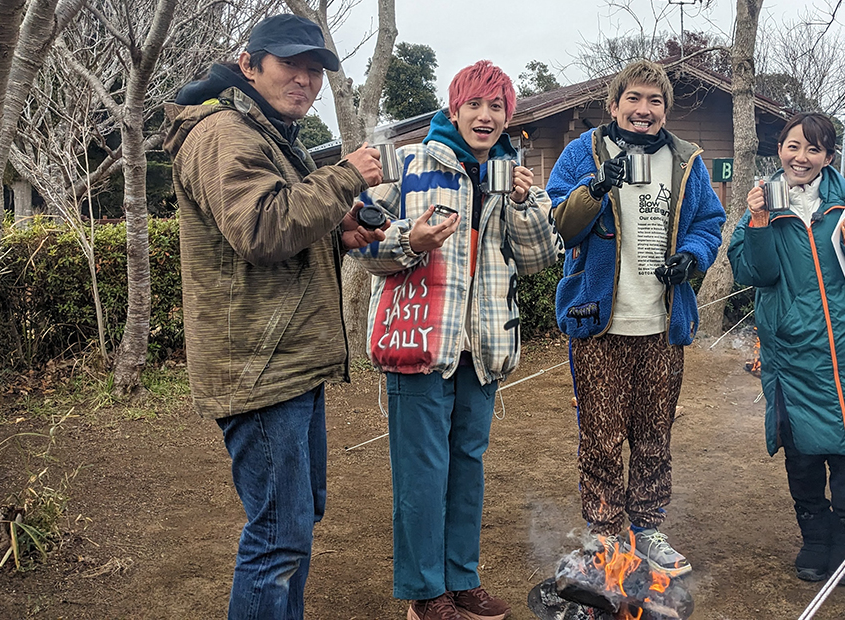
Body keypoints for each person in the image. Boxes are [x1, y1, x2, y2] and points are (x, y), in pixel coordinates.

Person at [163, 13, 385, 619]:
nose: (306, 79)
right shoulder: (222, 134)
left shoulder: (268, 134)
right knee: (277, 535)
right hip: (259, 367)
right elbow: (259, 230)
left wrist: (334, 234)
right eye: (291, 64)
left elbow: (275, 228)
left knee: (294, 524)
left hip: (287, 360)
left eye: (315, 70)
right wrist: (344, 178)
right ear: (248, 64)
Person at [350, 61, 561, 620]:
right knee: (423, 470)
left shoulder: (515, 179)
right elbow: (361, 240)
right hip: (419, 341)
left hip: (483, 345)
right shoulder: (413, 166)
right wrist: (409, 241)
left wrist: (523, 205)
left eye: (497, 107)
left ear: (508, 118)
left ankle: (462, 577)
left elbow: (541, 261)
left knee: (468, 464)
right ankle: (424, 592)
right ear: (454, 110)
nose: (485, 116)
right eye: (476, 105)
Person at [545, 60, 726, 577]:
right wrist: (598, 187)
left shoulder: (686, 160)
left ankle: (647, 526)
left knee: (654, 433)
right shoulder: (583, 152)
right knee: (600, 435)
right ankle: (604, 532)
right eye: (634, 99)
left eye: (655, 102)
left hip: (663, 323)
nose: (644, 110)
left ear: (665, 110)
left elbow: (709, 222)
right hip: (598, 322)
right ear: (614, 104)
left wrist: (691, 256)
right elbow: (564, 224)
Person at [727, 112, 845, 586]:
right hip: (792, 351)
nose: (800, 157)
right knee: (801, 456)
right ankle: (814, 538)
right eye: (791, 147)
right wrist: (760, 222)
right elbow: (753, 272)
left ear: (829, 156)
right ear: (778, 151)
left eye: (812, 149)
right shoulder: (761, 202)